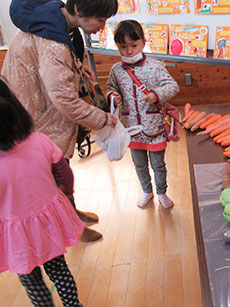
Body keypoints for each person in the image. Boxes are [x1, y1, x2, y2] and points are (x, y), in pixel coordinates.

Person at [1, 0, 119, 242]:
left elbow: (56, 68)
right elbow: (64, 99)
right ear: (77, 10)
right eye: (100, 19)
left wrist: (77, 67)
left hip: (36, 111)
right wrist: (103, 118)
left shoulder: (55, 22)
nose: (101, 27)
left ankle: (72, 214)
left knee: (59, 170)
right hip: (33, 117)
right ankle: (70, 227)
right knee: (53, 175)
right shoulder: (51, 40)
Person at [0, 78, 85, 307]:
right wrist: (66, 193)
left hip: (16, 233)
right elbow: (64, 173)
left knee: (30, 279)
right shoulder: (39, 140)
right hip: (48, 222)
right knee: (59, 270)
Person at [107, 20, 180, 209]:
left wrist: (156, 95)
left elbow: (172, 86)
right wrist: (112, 96)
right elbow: (110, 89)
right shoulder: (116, 70)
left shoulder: (155, 66)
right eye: (123, 47)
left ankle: (162, 192)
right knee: (139, 164)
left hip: (153, 127)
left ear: (143, 42)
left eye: (133, 45)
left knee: (158, 165)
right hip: (130, 128)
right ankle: (147, 191)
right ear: (117, 46)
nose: (128, 51)